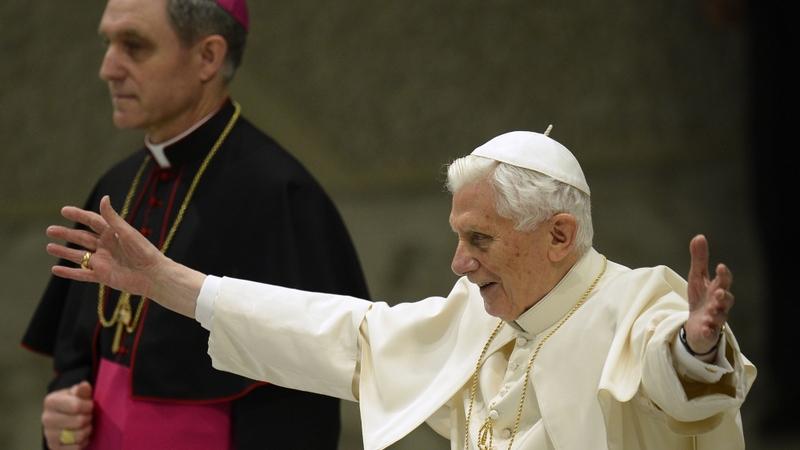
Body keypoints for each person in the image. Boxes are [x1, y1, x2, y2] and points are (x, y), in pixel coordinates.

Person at [44, 130, 756, 450]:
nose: (458, 263)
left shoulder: (638, 306)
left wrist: (696, 347)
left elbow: (675, 375)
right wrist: (174, 284)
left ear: (560, 236)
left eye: (479, 240)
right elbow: (344, 332)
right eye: (458, 236)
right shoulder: (476, 320)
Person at [22, 0, 369, 449]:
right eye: (108, 43)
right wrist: (62, 413)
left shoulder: (281, 195)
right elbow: (77, 353)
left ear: (208, 57)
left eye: (134, 46)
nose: (108, 68)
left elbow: (305, 395)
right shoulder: (117, 185)